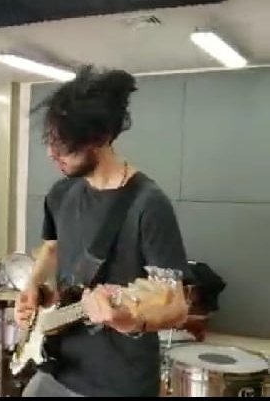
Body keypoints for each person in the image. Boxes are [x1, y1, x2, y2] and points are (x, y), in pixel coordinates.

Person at [13, 66, 192, 397]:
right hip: (58, 365)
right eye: (50, 141)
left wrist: (128, 320)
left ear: (99, 139)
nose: (52, 154)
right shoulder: (61, 193)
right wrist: (32, 286)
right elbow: (52, 248)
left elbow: (177, 305)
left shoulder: (148, 204)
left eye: (65, 146)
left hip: (118, 383)